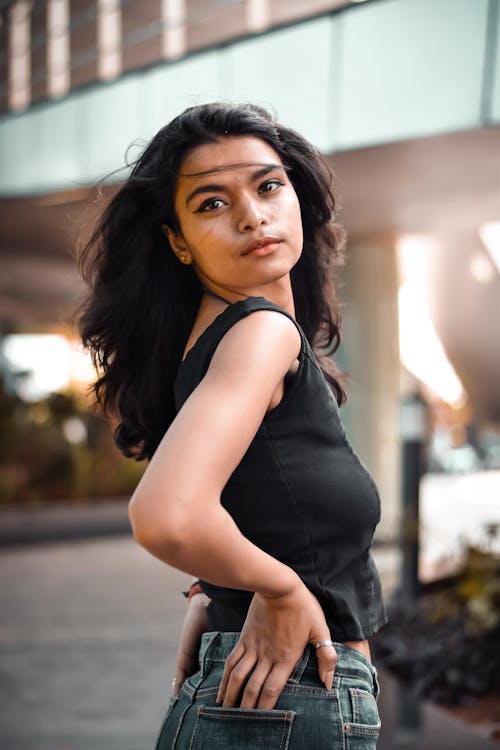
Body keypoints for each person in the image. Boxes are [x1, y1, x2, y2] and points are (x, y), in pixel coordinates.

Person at [79, 101, 388, 749]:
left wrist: (213, 586)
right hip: (291, 702)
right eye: (211, 203)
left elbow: (242, 495)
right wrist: (277, 588)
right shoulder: (259, 333)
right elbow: (167, 514)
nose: (252, 214)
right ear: (177, 241)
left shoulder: (214, 343)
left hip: (263, 700)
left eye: (268, 185)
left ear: (297, 197)